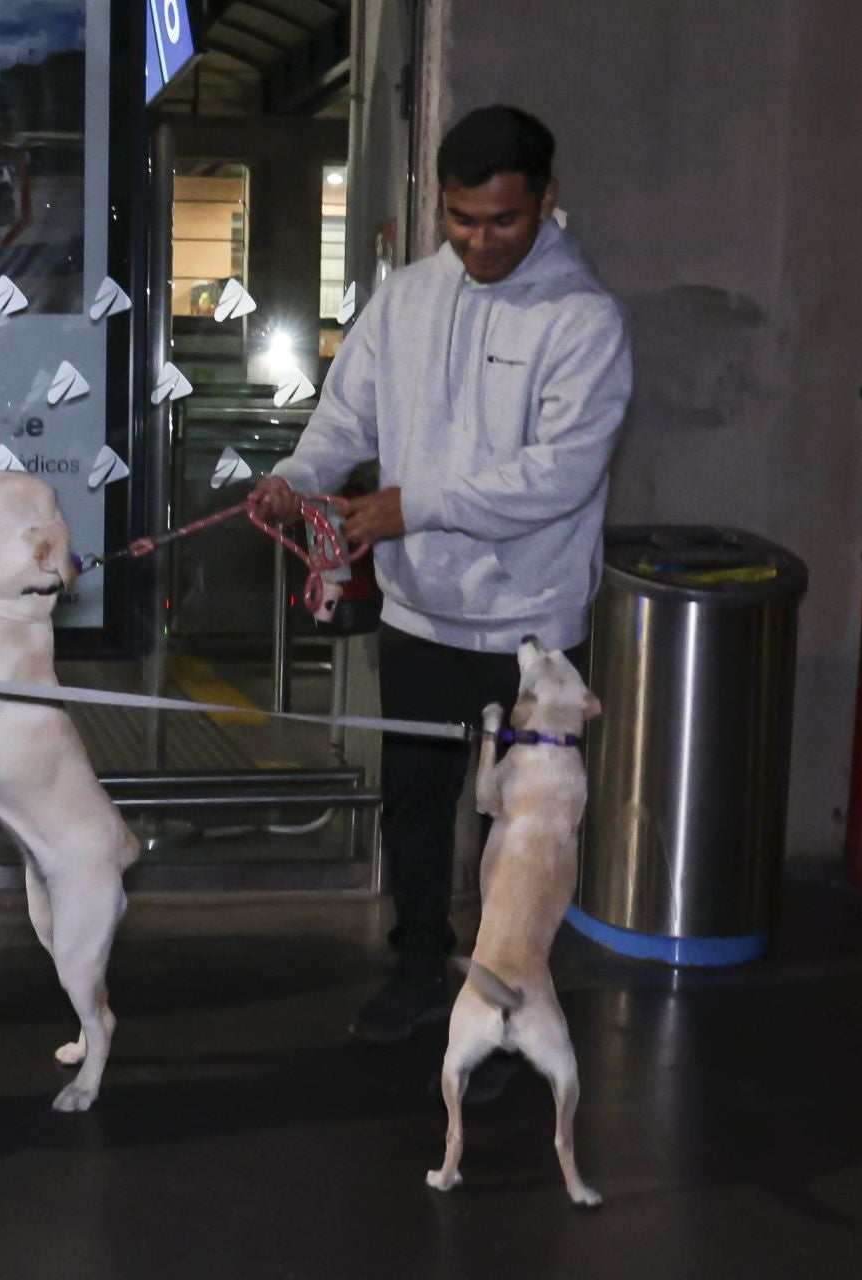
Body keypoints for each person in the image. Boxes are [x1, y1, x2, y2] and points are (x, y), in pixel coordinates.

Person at [254, 104, 632, 1045]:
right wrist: (297, 481)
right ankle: (421, 966)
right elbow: (347, 418)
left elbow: (559, 473)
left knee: (527, 838)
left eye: (503, 221)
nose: (479, 241)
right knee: (416, 805)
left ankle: (508, 999)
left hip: (532, 631)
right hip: (423, 613)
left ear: (548, 201)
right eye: (461, 220)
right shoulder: (410, 299)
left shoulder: (584, 321)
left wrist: (406, 506)